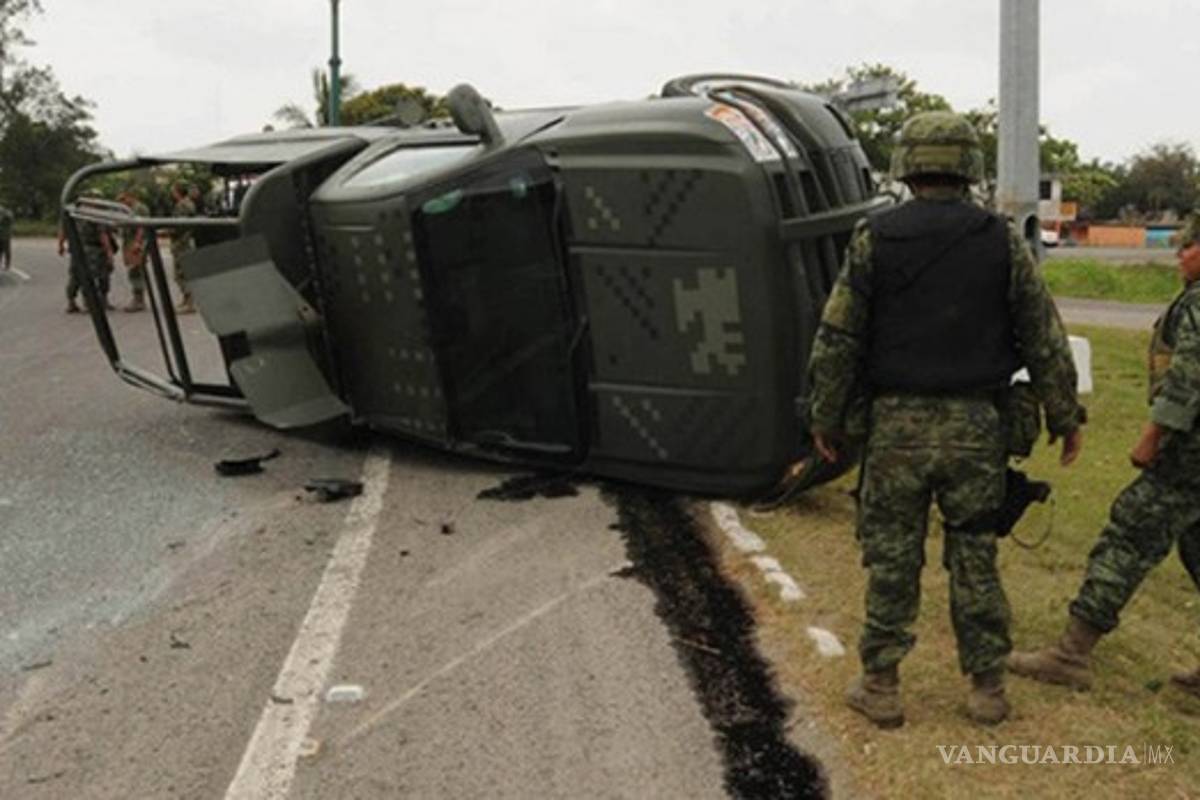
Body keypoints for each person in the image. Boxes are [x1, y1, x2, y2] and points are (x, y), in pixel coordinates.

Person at [806, 111, 1086, 728]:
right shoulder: (1000, 239)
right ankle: (987, 688)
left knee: (892, 558)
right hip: (976, 431)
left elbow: (838, 336)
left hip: (896, 430)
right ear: (969, 165)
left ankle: (880, 685)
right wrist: (1065, 416)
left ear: (907, 164)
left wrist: (825, 416)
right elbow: (1043, 335)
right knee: (976, 556)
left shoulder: (872, 237)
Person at [1008, 213, 1200, 696]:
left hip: (1188, 456)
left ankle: (1071, 654)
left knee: (1128, 537)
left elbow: (1189, 380)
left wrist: (1153, 437)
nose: (1180, 254)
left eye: (1189, 246)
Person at [59, 191, 116, 313]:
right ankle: (91, 302)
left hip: (76, 249)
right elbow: (103, 235)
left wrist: (61, 245)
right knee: (97, 275)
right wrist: (109, 252)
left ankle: (72, 301)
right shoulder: (94, 215)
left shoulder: (72, 212)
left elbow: (63, 230)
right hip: (94, 249)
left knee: (76, 275)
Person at [116, 190, 150, 312]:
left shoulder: (140, 208)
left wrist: (137, 243)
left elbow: (141, 227)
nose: (122, 202)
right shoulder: (128, 209)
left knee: (136, 270)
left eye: (123, 199)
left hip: (136, 243)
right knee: (133, 270)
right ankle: (138, 298)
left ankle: (138, 300)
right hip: (129, 241)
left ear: (131, 197)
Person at [169, 181, 197, 313]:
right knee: (183, 271)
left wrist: (168, 231)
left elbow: (179, 226)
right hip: (185, 240)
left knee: (181, 273)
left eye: (173, 191)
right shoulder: (189, 203)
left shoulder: (182, 205)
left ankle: (189, 302)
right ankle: (186, 300)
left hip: (181, 242)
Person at [0, 203, 14, 271]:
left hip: (5, 236)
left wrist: (4, 212)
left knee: (6, 251)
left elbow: (10, 217)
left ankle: (7, 265)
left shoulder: (8, 214)